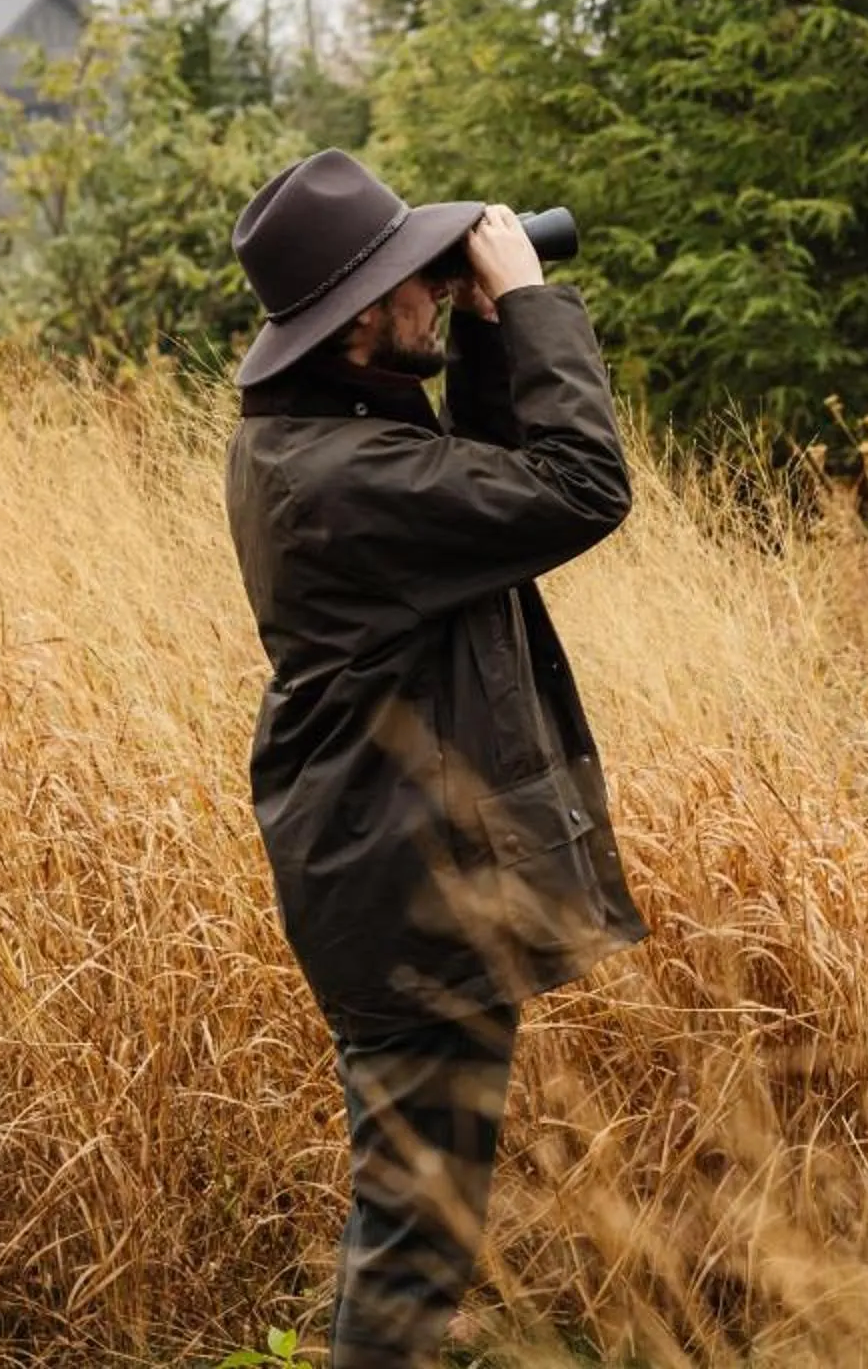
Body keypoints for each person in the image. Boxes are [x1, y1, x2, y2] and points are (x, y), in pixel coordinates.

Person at [221, 148, 646, 1367]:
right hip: (403, 882)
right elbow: (578, 486)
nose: (436, 287)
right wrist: (529, 299)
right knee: (416, 1233)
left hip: (397, 859)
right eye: (419, 278)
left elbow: (494, 495)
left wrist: (483, 329)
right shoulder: (344, 476)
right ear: (360, 320)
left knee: (422, 1219)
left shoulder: (326, 438)